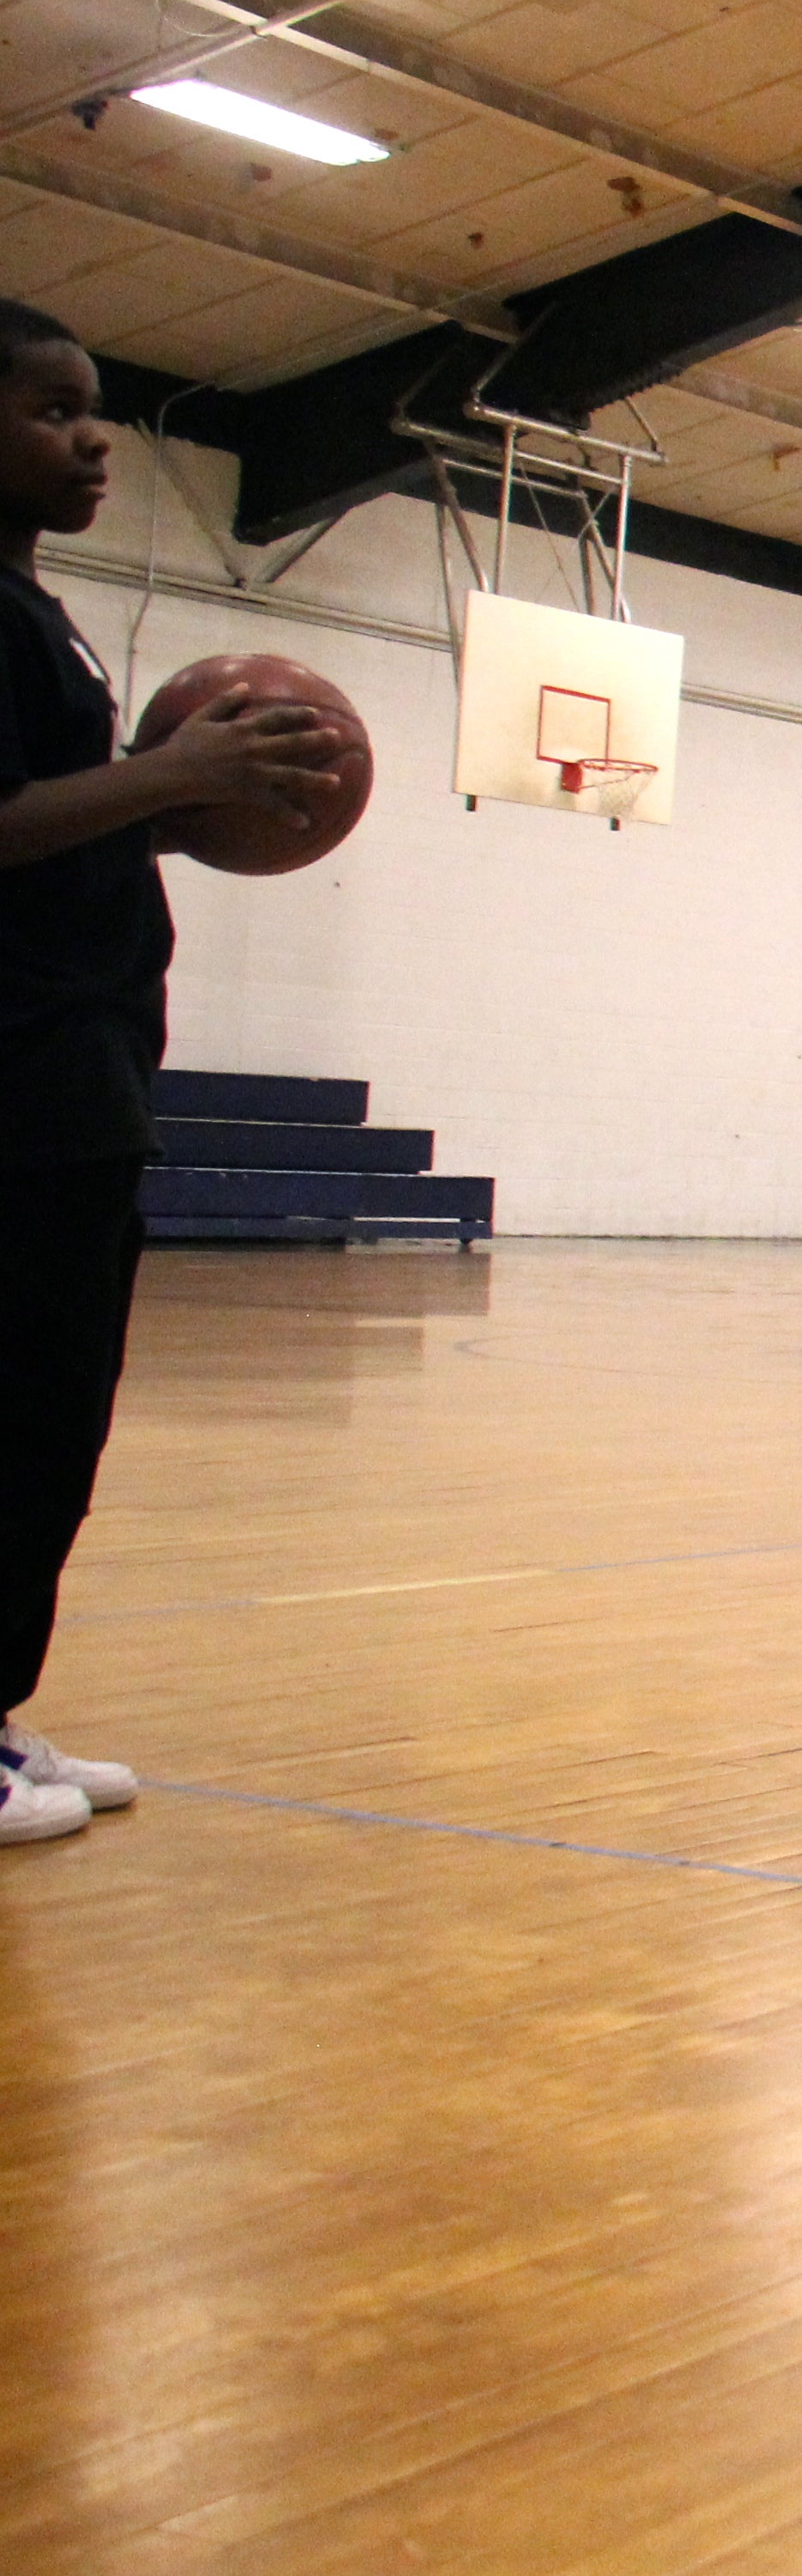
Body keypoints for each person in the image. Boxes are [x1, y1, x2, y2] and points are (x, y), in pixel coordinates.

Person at [0, 301, 343, 1846]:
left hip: (75, 1080)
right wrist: (176, 776)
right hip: (9, 1084)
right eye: (54, 410)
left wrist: (197, 800)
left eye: (100, 411)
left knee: (53, 1418)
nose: (92, 441)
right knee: (8, 1411)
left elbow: (53, 819)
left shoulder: (39, 615)